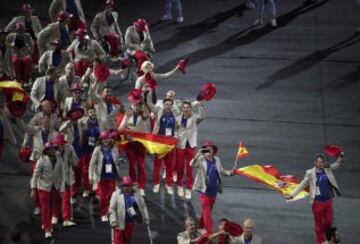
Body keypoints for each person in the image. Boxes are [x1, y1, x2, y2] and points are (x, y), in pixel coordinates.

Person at [286, 152, 345, 244]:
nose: (322, 164)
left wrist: (340, 157)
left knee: (329, 222)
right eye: (320, 162)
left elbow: (337, 165)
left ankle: (329, 238)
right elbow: (301, 185)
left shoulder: (327, 168)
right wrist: (292, 195)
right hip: (317, 203)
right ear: (315, 163)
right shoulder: (310, 173)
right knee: (319, 225)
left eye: (322, 162)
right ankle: (320, 241)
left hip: (328, 201)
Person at [190, 141, 234, 236]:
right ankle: (208, 231)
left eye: (211, 148)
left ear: (214, 150)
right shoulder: (201, 159)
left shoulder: (217, 160)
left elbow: (221, 171)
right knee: (206, 209)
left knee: (207, 210)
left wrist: (231, 172)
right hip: (203, 189)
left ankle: (201, 227)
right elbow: (191, 164)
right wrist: (198, 154)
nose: (209, 149)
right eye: (207, 148)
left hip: (213, 190)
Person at [118, 90, 149, 196]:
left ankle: (141, 186)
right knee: (131, 164)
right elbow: (120, 128)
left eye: (138, 106)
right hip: (130, 144)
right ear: (132, 105)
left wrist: (144, 99)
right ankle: (133, 183)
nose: (137, 107)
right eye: (135, 105)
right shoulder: (128, 115)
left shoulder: (144, 115)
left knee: (141, 165)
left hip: (141, 144)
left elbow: (147, 110)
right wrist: (126, 120)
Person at [30, 142, 64, 239]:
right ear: (46, 151)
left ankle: (45, 223)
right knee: (45, 209)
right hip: (43, 188)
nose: (52, 150)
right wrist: (33, 189)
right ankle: (47, 229)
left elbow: (62, 174)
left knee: (51, 206)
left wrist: (61, 189)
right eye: (50, 149)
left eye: (53, 148)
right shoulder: (41, 160)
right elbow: (35, 175)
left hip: (54, 187)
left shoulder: (59, 159)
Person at [175, 100, 206, 199]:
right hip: (180, 146)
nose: (185, 109)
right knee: (179, 168)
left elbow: (203, 116)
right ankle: (180, 186)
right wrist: (176, 136)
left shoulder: (194, 118)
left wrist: (200, 106)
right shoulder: (177, 119)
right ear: (182, 109)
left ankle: (188, 189)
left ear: (190, 109)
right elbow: (175, 131)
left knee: (189, 169)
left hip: (191, 146)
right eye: (184, 107)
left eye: (187, 107)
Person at [89, 130, 122, 221]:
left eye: (107, 138)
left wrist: (119, 162)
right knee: (103, 197)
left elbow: (116, 160)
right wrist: (90, 176)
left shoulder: (114, 148)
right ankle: (103, 213)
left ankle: (110, 212)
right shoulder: (97, 149)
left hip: (112, 176)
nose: (105, 140)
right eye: (103, 139)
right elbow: (92, 164)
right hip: (102, 176)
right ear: (101, 140)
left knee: (111, 195)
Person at [146, 97, 177, 194]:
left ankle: (169, 185)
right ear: (163, 105)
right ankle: (156, 183)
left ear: (172, 105)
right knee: (157, 164)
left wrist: (175, 136)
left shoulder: (175, 114)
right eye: (166, 104)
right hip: (159, 141)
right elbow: (149, 103)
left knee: (170, 165)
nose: (168, 106)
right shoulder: (158, 111)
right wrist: (148, 91)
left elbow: (177, 127)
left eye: (170, 105)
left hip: (170, 142)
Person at [109, 176, 150, 244]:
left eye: (129, 186)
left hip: (131, 222)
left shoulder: (136, 193)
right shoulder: (116, 194)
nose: (127, 187)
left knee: (127, 240)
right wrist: (113, 220)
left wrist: (146, 217)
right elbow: (112, 208)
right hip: (119, 222)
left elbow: (143, 206)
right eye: (125, 186)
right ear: (122, 186)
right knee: (118, 241)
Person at [51, 133, 78, 227]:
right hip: (55, 177)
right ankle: (55, 215)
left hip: (66, 176)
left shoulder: (69, 148)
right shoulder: (51, 150)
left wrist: (72, 159)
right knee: (55, 198)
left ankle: (66, 219)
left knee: (66, 197)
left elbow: (75, 162)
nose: (59, 145)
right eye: (57, 144)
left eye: (61, 143)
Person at [59, 108, 85, 202]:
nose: (75, 120)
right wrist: (67, 124)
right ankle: (70, 194)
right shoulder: (66, 125)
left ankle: (74, 193)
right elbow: (60, 130)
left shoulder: (80, 124)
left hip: (79, 151)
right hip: (69, 152)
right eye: (73, 119)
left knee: (78, 174)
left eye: (76, 119)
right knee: (70, 173)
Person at [79, 105, 101, 197]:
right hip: (86, 149)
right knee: (85, 170)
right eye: (90, 112)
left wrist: (98, 142)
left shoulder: (100, 122)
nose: (93, 113)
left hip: (96, 149)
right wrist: (84, 132)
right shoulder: (83, 123)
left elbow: (103, 135)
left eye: (94, 111)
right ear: (87, 114)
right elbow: (80, 138)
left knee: (97, 169)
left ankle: (95, 189)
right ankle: (86, 189)